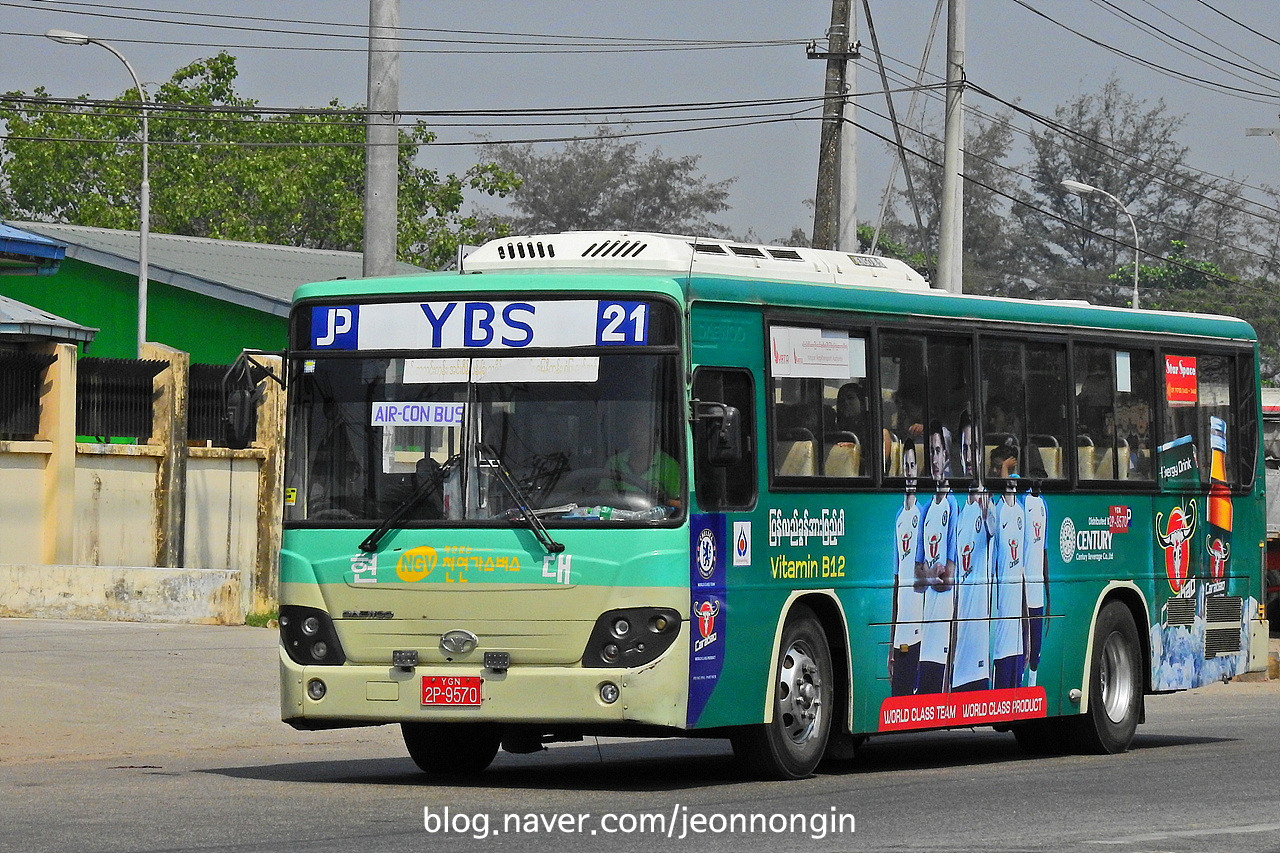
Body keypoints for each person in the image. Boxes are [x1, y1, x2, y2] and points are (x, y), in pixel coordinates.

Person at [916, 420, 957, 695]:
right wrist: (930, 574)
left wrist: (929, 575)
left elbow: (949, 578)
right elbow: (917, 575)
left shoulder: (953, 505)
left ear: (947, 456)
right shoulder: (926, 508)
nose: (933, 458)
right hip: (924, 626)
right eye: (930, 451)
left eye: (938, 451)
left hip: (944, 626)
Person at [889, 438, 924, 696]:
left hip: (920, 630)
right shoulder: (899, 519)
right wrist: (890, 643)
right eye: (906, 465)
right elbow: (896, 582)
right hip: (901, 632)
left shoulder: (924, 516)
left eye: (913, 465)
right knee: (898, 697)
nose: (910, 471)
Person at [950, 483, 993, 692]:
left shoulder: (986, 502)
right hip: (961, 637)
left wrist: (986, 514)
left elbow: (993, 529)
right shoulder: (959, 514)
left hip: (979, 640)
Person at [991, 477, 1028, 689]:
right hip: (1001, 625)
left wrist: (1027, 636)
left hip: (1017, 636)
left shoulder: (1021, 512)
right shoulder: (997, 513)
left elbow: (1023, 574)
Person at [606, 417, 680, 503]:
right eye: (632, 429)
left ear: (655, 434)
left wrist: (663, 500)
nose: (636, 434)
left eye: (643, 429)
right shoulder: (614, 462)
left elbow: (680, 504)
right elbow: (604, 496)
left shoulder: (669, 465)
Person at [1022, 481, 1050, 687]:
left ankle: (1031, 688)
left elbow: (1044, 551)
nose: (1039, 482)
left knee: (1035, 653)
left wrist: (1049, 596)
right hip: (1021, 591)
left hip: (1037, 591)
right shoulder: (1022, 502)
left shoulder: (1044, 505)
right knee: (1023, 647)